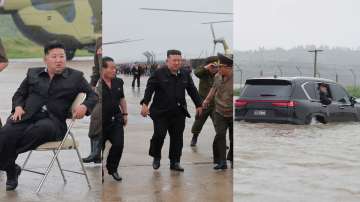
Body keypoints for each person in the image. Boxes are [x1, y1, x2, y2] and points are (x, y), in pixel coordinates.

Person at [0, 41, 98, 191]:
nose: (59, 60)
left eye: (62, 56)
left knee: (40, 129)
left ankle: (7, 165)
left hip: (53, 122)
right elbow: (19, 94)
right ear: (45, 59)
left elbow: (93, 95)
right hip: (26, 116)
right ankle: (12, 168)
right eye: (54, 57)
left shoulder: (76, 77)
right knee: (6, 133)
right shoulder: (33, 73)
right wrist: (18, 106)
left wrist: (85, 106)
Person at [140, 49, 202, 172]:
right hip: (160, 112)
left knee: (177, 138)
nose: (177, 63)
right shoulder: (158, 73)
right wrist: (145, 104)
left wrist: (198, 104)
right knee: (159, 135)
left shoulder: (185, 74)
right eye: (174, 60)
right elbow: (149, 89)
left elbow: (192, 90)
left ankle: (175, 162)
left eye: (179, 60)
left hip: (178, 112)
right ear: (167, 60)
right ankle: (156, 156)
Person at [203, 53, 233, 170]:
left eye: (221, 67)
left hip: (232, 112)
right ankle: (222, 162)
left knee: (233, 138)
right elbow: (214, 89)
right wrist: (207, 100)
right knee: (220, 135)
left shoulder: (235, 78)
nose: (218, 69)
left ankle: (232, 158)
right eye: (218, 67)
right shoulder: (217, 76)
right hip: (219, 111)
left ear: (229, 68)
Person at [101, 57, 128, 181]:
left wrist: (125, 114)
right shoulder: (97, 84)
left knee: (118, 145)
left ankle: (113, 169)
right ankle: (99, 168)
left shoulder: (118, 82)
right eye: (111, 68)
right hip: (102, 121)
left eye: (115, 67)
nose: (114, 70)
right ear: (103, 69)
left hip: (116, 119)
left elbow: (122, 98)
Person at [190, 56, 219, 146]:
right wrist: (207, 67)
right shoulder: (203, 73)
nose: (215, 69)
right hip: (203, 103)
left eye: (217, 67)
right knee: (198, 121)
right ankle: (194, 137)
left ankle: (220, 141)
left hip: (216, 104)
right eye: (213, 67)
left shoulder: (220, 74)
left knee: (219, 124)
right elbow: (196, 72)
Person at [83, 36, 102, 164]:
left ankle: (96, 152)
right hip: (100, 86)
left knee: (99, 115)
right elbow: (96, 67)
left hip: (112, 85)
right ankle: (95, 153)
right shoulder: (100, 41)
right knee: (95, 116)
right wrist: (92, 86)